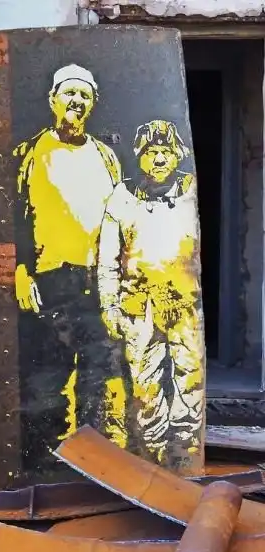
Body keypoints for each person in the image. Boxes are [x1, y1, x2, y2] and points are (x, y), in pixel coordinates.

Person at [13, 63, 126, 476]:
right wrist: (20, 272)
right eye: (69, 93)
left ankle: (93, 463)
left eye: (84, 96)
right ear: (53, 99)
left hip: (96, 280)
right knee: (48, 374)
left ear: (92, 105)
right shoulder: (28, 154)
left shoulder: (106, 157)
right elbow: (12, 217)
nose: (76, 101)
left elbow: (120, 219)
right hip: (49, 277)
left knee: (98, 371)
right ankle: (46, 463)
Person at [97, 119, 203, 466]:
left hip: (185, 303)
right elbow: (107, 259)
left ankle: (186, 456)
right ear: (139, 156)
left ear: (177, 155)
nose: (159, 159)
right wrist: (109, 306)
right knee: (146, 384)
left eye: (166, 151)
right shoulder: (122, 197)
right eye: (151, 152)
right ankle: (152, 456)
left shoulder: (191, 192)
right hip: (138, 305)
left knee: (189, 378)